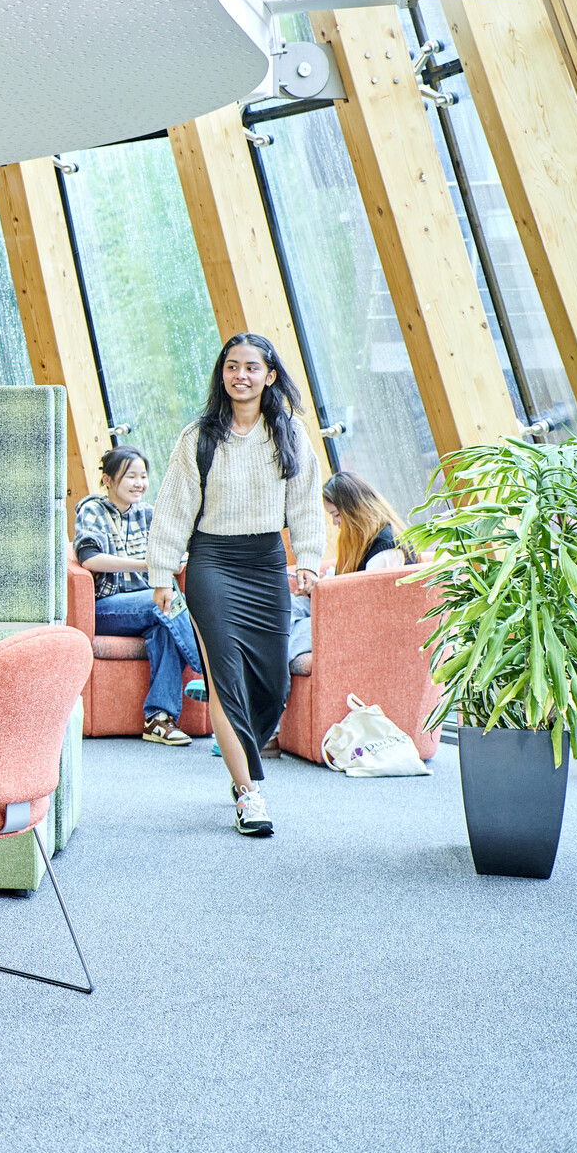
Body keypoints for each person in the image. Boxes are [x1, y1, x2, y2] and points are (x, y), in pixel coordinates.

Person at [146, 333, 324, 837]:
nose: (239, 375)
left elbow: (308, 501)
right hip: (212, 564)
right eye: (231, 366)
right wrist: (162, 575)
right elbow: (174, 508)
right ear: (221, 374)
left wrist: (308, 558)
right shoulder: (199, 436)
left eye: (251, 367)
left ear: (269, 375)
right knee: (224, 680)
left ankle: (242, 754)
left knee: (273, 684)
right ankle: (249, 791)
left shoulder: (288, 433)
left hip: (266, 562)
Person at [74, 445, 207, 746]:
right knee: (163, 601)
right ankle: (211, 673)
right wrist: (146, 565)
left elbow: (175, 548)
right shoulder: (92, 510)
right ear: (108, 480)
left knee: (163, 624)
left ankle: (158, 719)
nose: (139, 483)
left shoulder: (148, 514)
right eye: (130, 476)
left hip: (148, 606)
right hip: (106, 609)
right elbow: (89, 559)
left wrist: (180, 559)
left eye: (143, 476)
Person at [287, 472, 418, 673]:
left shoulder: (386, 549)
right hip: (350, 616)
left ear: (354, 511)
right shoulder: (366, 541)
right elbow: (350, 583)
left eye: (337, 515)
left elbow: (367, 609)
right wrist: (320, 587)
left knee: (290, 629)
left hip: (365, 628)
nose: (335, 523)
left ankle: (282, 663)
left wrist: (326, 595)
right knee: (285, 607)